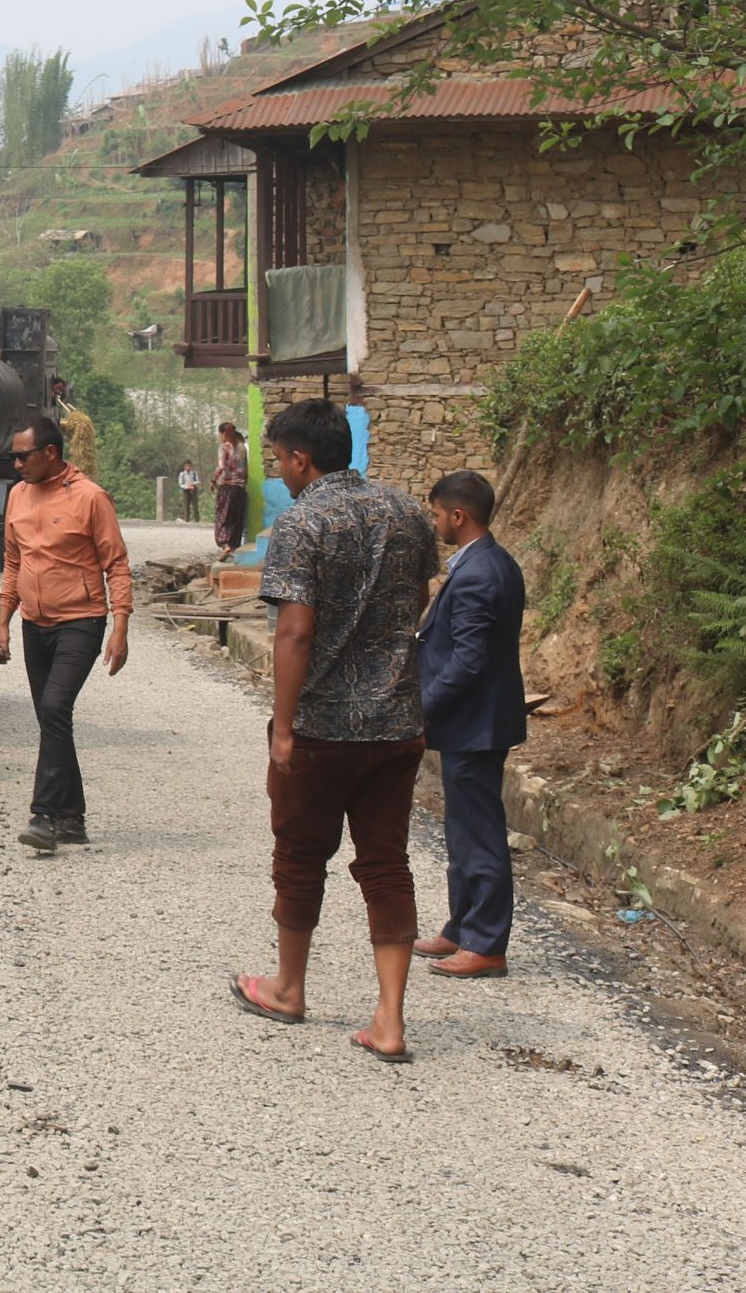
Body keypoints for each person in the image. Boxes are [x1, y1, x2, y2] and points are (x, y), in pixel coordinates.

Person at [229, 398, 437, 1064]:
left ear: (302, 458)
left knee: (299, 856)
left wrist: (283, 728)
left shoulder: (303, 522)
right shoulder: (409, 513)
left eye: (281, 458)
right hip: (397, 722)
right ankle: (390, 1019)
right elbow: (417, 600)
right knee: (385, 863)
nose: (280, 471)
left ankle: (289, 987)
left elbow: (294, 628)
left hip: (323, 725)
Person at [0, 415, 132, 854]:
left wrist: (120, 626)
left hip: (81, 621)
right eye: (14, 456)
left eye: (22, 456)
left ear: (50, 453)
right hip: (35, 624)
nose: (16, 464)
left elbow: (117, 563)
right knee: (52, 719)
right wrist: (2, 624)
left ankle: (44, 816)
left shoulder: (90, 498)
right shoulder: (17, 496)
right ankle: (73, 819)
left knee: (54, 707)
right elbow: (13, 562)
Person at [415, 470, 528, 980]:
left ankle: (486, 943)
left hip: (475, 724)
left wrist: (422, 707)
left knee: (478, 832)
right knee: (461, 829)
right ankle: (461, 927)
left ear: (458, 516)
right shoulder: (485, 563)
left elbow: (469, 659)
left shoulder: (481, 571)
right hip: (471, 722)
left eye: (437, 514)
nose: (434, 522)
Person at [212, 421, 249, 560]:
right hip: (239, 488)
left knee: (223, 517)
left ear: (223, 433)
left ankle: (225, 545)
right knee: (236, 518)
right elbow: (245, 469)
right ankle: (233, 548)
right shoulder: (242, 449)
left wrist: (213, 480)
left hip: (226, 487)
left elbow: (221, 466)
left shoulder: (224, 447)